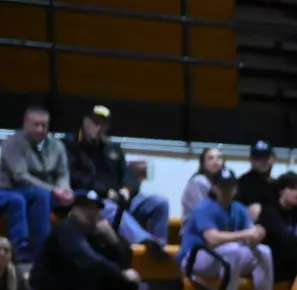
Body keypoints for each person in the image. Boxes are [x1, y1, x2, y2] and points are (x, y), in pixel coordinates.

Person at [31, 190, 140, 290]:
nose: (91, 212)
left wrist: (113, 240)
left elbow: (125, 261)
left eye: (95, 208)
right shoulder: (67, 227)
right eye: (85, 207)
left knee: (128, 286)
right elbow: (84, 257)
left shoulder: (98, 231)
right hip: (51, 289)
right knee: (90, 272)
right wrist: (120, 273)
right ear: (73, 210)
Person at [64, 105, 168, 257]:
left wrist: (126, 190)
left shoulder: (112, 148)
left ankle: (160, 246)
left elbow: (128, 174)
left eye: (103, 124)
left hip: (120, 197)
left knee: (159, 202)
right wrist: (107, 192)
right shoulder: (71, 146)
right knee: (109, 206)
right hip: (94, 200)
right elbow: (78, 178)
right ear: (85, 122)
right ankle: (146, 242)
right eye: (95, 122)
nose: (98, 127)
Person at [180, 172, 273, 290]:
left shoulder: (239, 208)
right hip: (195, 259)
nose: (227, 190)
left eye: (230, 186)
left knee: (264, 251)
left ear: (236, 189)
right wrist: (246, 233)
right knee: (232, 248)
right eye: (222, 186)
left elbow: (249, 234)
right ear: (214, 188)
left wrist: (257, 234)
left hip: (223, 259)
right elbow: (212, 238)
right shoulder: (203, 207)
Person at [0, 105, 67, 263]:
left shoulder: (54, 145)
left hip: (39, 191)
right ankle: (23, 248)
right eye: (36, 124)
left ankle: (51, 250)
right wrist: (54, 190)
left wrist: (65, 190)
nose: (40, 129)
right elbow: (20, 176)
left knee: (82, 198)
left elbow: (62, 173)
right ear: (25, 123)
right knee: (29, 198)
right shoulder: (12, 143)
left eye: (44, 125)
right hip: (9, 189)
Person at [179, 146, 232, 220]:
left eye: (219, 158)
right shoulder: (198, 181)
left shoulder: (224, 180)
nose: (216, 161)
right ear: (203, 163)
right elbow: (203, 212)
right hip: (195, 228)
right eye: (210, 158)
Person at [235, 140, 280, 220]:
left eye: (266, 157)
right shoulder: (242, 184)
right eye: (257, 157)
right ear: (251, 160)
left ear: (273, 158)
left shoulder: (277, 184)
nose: (262, 161)